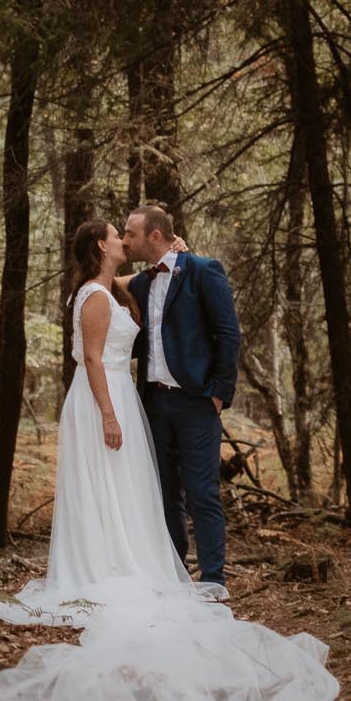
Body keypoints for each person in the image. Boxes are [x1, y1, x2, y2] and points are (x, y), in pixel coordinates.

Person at [0, 217, 191, 622]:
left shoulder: (106, 288)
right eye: (114, 235)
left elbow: (134, 277)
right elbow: (91, 358)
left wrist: (170, 255)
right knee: (102, 482)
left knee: (119, 484)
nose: (123, 240)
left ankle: (118, 558)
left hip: (116, 392)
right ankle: (101, 567)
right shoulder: (96, 298)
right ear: (101, 247)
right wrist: (108, 415)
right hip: (101, 396)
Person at [123, 203, 241, 597]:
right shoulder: (141, 282)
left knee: (202, 493)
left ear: (155, 236)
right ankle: (175, 576)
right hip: (154, 404)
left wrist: (219, 395)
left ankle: (213, 581)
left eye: (131, 234)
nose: (126, 240)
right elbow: (104, 282)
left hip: (196, 403)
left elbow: (228, 335)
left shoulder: (204, 271)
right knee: (165, 494)